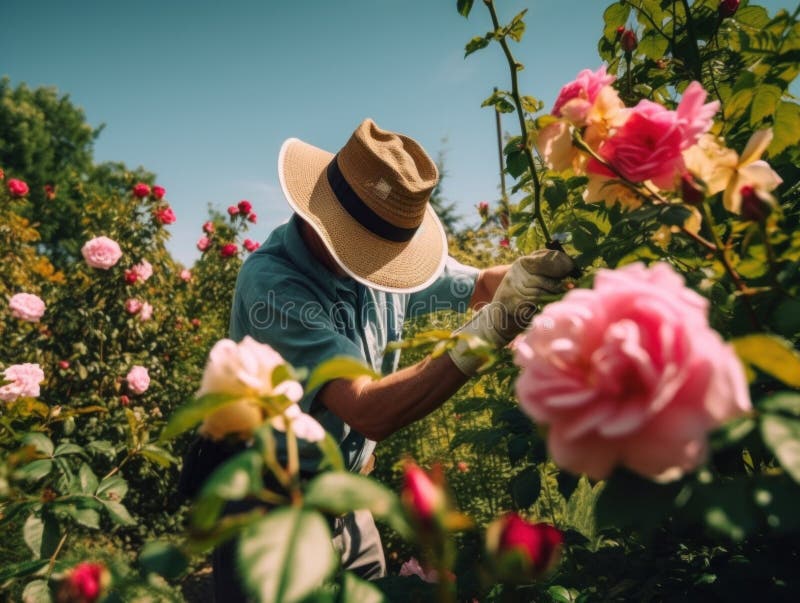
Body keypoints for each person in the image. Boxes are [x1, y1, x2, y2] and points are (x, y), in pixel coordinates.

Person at [214, 118, 574, 598]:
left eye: (384, 251)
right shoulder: (275, 287)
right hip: (270, 516)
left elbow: (486, 285)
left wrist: (538, 275)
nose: (377, 266)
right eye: (366, 250)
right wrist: (487, 333)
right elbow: (367, 408)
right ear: (322, 216)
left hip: (347, 500)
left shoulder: (381, 254)